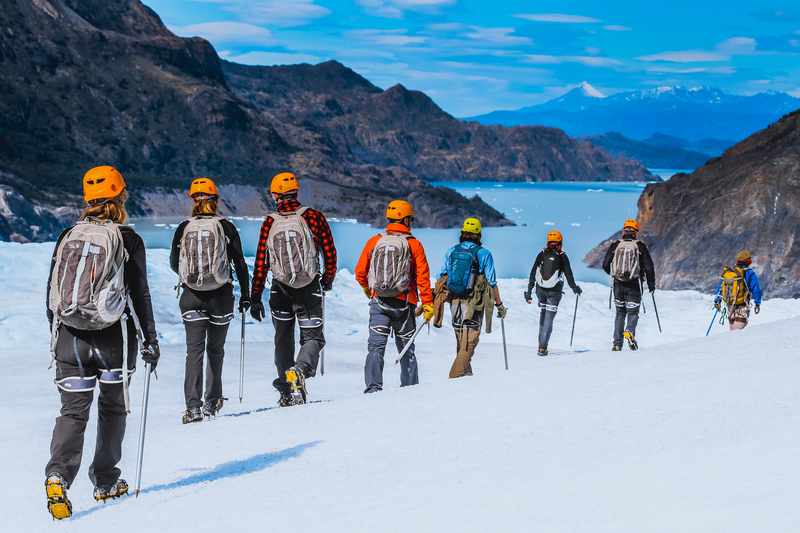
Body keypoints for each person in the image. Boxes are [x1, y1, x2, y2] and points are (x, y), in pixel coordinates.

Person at [44, 166, 159, 519]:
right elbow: (139, 295)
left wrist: (59, 333)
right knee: (112, 409)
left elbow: (52, 292)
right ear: (120, 196)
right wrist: (150, 340)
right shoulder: (128, 239)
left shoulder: (68, 234)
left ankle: (58, 475)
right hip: (114, 340)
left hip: (69, 340)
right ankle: (106, 480)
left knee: (73, 412)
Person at [250, 172, 337, 406]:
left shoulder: (270, 222)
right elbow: (329, 252)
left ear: (275, 195)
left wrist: (256, 296)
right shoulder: (313, 217)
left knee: (283, 341)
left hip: (280, 291)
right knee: (312, 338)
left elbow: (261, 262)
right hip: (308, 289)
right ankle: (300, 369)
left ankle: (286, 392)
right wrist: (327, 279)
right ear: (296, 192)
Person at [170, 178, 250, 423]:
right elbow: (241, 265)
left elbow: (175, 263)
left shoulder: (184, 227)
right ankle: (211, 403)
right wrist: (246, 296)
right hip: (220, 298)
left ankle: (192, 408)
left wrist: (194, 278)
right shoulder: (226, 227)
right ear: (215, 200)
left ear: (194, 201)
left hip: (191, 296)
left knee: (193, 351)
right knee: (215, 350)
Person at [355, 200, 434, 392]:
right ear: (406, 220)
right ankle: (409, 389)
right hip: (404, 305)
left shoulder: (374, 242)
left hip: (379, 302)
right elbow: (422, 277)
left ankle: (373, 389)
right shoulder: (414, 244)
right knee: (406, 349)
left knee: (375, 348)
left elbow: (360, 272)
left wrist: (368, 288)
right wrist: (428, 303)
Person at [435, 217, 506, 377]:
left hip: (454, 302)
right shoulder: (484, 254)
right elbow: (491, 283)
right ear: (479, 235)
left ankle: (466, 378)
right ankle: (454, 378)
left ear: (462, 233)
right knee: (469, 345)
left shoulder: (452, 251)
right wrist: (499, 305)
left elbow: (441, 275)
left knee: (462, 343)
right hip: (474, 303)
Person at [524, 231, 581, 356]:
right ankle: (543, 348)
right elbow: (569, 275)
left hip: (540, 290)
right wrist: (575, 289)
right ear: (560, 243)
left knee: (543, 314)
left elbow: (533, 273)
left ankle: (541, 344)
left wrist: (529, 292)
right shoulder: (562, 257)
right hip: (555, 291)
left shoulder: (541, 255)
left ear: (548, 242)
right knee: (549, 318)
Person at [602, 219, 655, 351]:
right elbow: (649, 267)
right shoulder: (640, 246)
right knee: (632, 313)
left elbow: (605, 264)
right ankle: (630, 331)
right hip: (635, 285)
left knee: (620, 314)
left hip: (618, 285)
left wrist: (614, 274)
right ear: (636, 232)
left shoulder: (615, 245)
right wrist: (651, 285)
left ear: (623, 231)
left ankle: (617, 344)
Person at [714, 250, 761, 330]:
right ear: (749, 261)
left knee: (732, 329)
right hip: (742, 305)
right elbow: (755, 289)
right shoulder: (750, 273)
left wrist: (717, 301)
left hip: (730, 304)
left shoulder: (729, 272)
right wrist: (757, 303)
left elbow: (721, 287)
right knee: (737, 333)